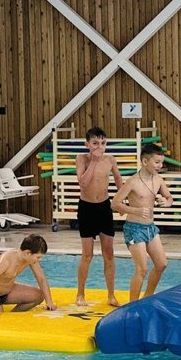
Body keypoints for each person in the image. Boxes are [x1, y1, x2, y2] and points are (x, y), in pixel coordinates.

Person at [111, 142, 172, 304]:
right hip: (134, 229)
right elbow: (115, 203)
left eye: (161, 162)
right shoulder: (132, 182)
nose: (160, 166)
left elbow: (169, 197)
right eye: (157, 162)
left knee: (161, 264)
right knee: (142, 268)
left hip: (150, 228)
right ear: (145, 162)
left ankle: (147, 298)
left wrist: (166, 202)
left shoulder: (158, 180)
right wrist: (135, 210)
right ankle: (132, 305)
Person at [73, 127, 121, 308]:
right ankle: (80, 294)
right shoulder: (81, 159)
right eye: (95, 143)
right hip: (87, 209)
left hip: (104, 208)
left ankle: (111, 295)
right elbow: (83, 182)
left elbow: (118, 179)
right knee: (87, 255)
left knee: (109, 254)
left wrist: (120, 199)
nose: (99, 147)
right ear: (87, 144)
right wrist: (94, 161)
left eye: (103, 143)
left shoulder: (110, 160)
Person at [0, 232, 58, 316]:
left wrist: (49, 302)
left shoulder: (30, 259)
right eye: (38, 257)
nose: (39, 260)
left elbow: (41, 279)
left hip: (8, 292)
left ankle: (14, 315)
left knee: (39, 296)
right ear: (28, 253)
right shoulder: (6, 261)